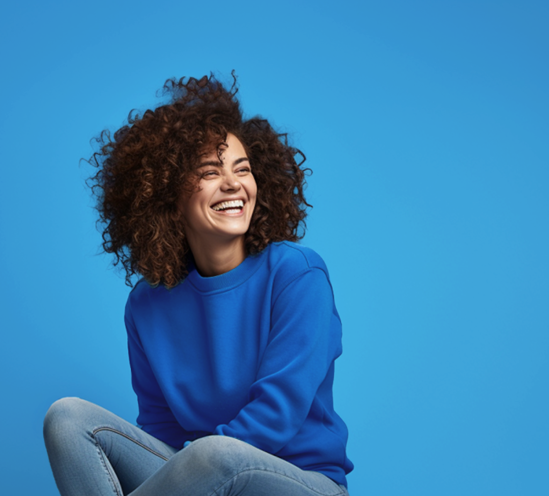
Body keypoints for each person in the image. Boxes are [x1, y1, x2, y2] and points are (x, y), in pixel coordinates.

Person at [43, 72, 355, 496]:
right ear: (168, 195)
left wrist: (198, 461)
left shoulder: (297, 275)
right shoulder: (146, 305)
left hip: (300, 482)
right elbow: (160, 430)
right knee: (67, 419)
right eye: (211, 171)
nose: (233, 184)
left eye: (242, 169)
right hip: (204, 476)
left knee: (217, 453)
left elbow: (275, 417)